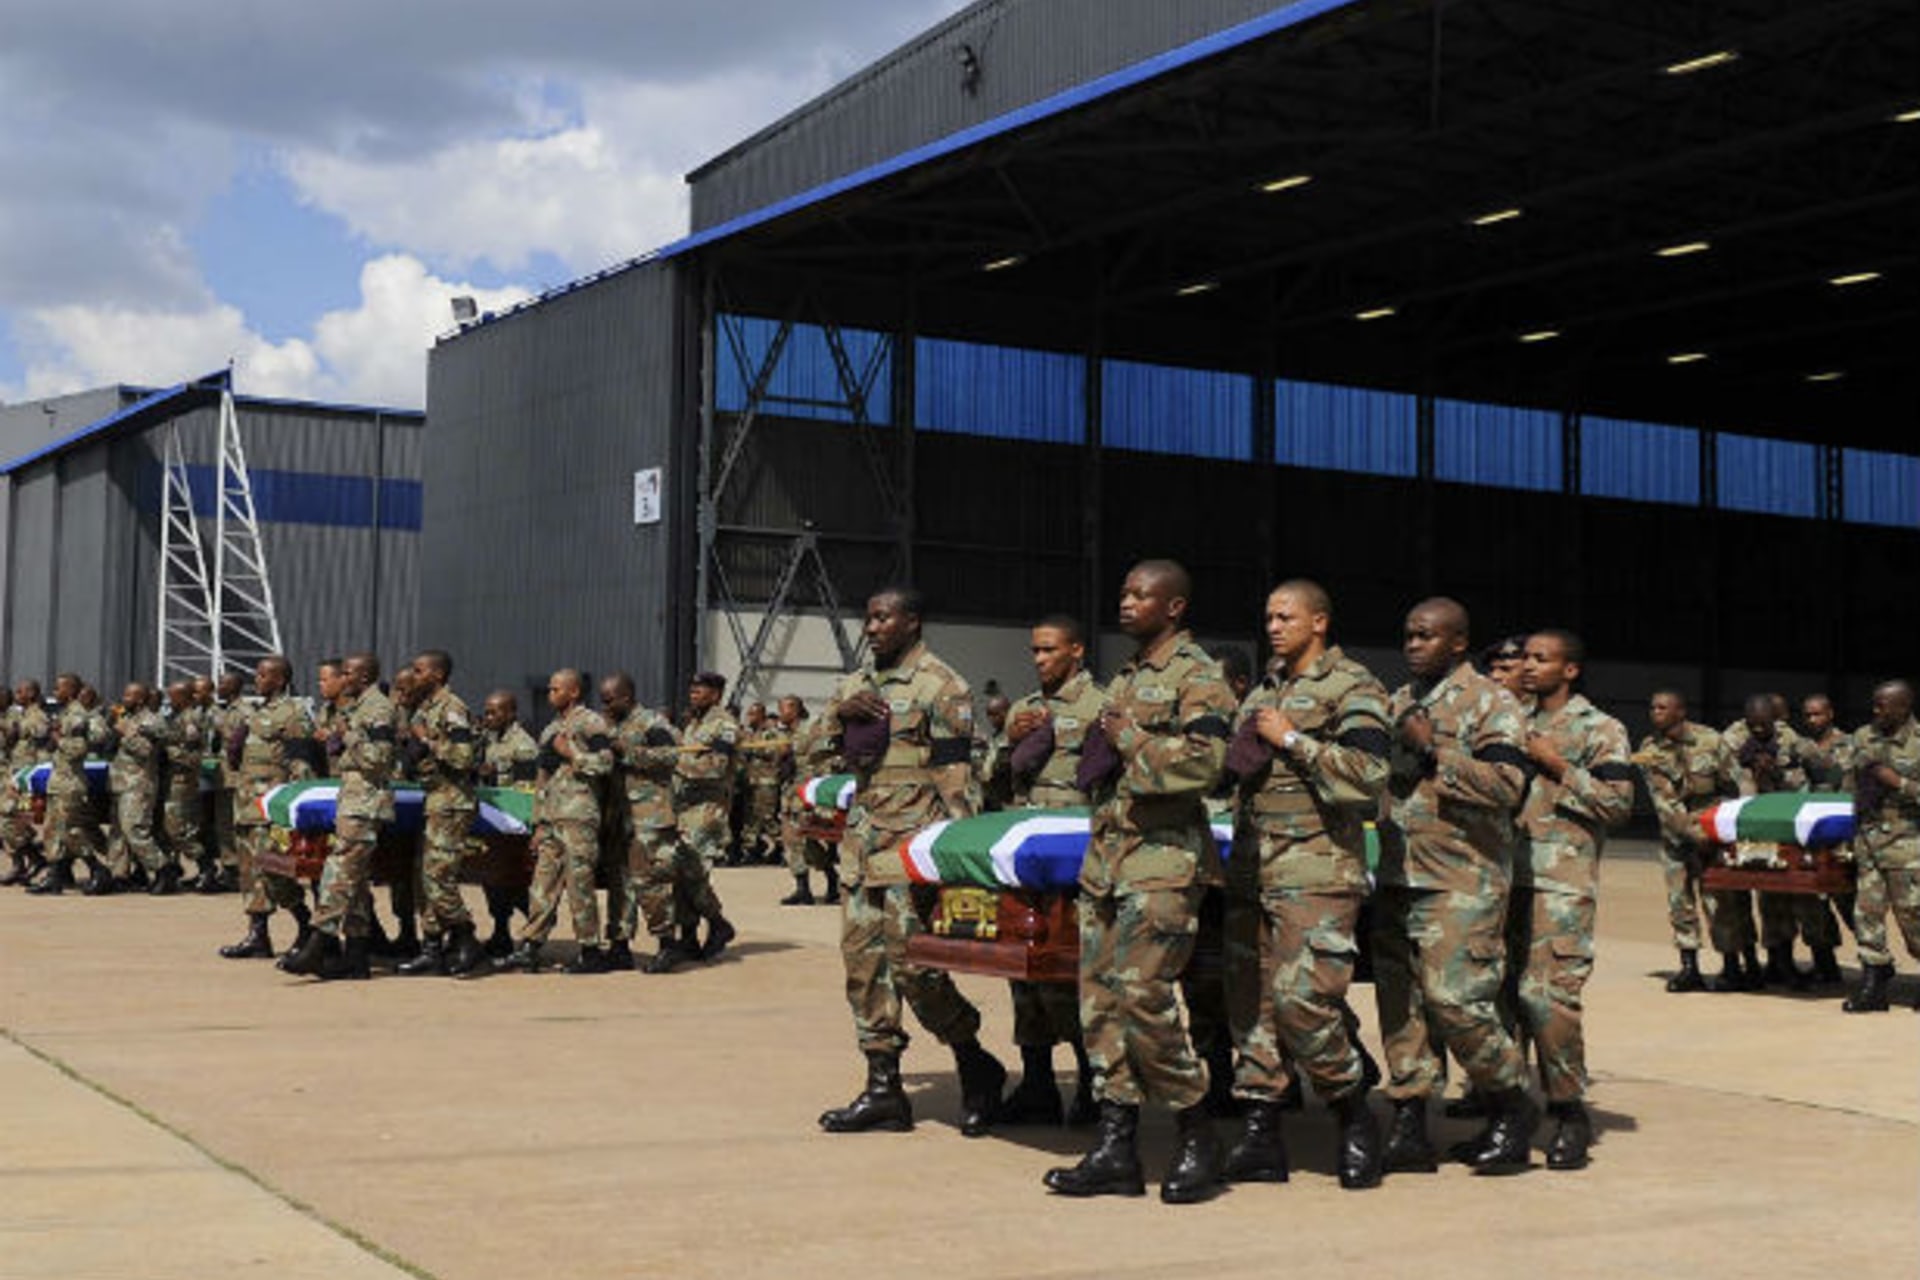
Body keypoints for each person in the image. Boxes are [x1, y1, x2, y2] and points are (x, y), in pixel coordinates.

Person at [1044, 560, 1236, 1204]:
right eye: (1123, 592)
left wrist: (1131, 741)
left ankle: (1195, 1133)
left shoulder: (1199, 678)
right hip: (1108, 861)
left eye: (1139, 594)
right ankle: (1115, 1147)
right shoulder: (1125, 677)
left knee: (1145, 996)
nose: (1125, 603)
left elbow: (1207, 767)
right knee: (1099, 1004)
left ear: (1173, 607)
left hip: (1162, 860)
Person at [818, 586, 1007, 1141]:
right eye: (868, 617)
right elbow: (811, 748)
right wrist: (837, 713)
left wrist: (950, 861)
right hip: (861, 849)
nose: (871, 627)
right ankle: (884, 1090)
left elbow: (959, 782)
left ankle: (975, 1063)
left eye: (882, 617)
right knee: (863, 969)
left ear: (912, 622)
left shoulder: (941, 687)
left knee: (915, 969)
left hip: (911, 852)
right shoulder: (855, 685)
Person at [1219, 580, 1391, 1191]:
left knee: (1304, 1003)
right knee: (1253, 1008)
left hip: (1315, 870)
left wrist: (1292, 739)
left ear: (1319, 622)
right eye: (1266, 615)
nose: (1272, 625)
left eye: (1285, 616)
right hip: (1252, 870)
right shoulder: (1262, 691)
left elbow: (1369, 777)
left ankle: (1354, 1115)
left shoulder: (1355, 687)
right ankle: (1261, 1134)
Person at [1371, 598, 1536, 1176]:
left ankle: (1511, 1108)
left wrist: (1433, 749)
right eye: (1409, 636)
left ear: (1458, 642)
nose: (1413, 645)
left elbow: (1508, 785)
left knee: (1458, 1002)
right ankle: (1411, 1125)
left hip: (1460, 880)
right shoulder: (1398, 702)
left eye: (1426, 636)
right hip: (1398, 875)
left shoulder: (1493, 703)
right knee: (1403, 1010)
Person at [1510, 630, 1635, 1170]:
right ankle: (1510, 1114)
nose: (1529, 667)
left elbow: (1618, 803)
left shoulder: (1602, 729)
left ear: (1570, 670)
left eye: (1542, 659)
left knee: (1549, 1000)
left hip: (1560, 883)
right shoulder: (1508, 721)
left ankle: (1567, 1110)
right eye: (1526, 658)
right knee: (1500, 1003)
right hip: (1501, 880)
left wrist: (1558, 765)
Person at [997, 613, 1108, 1129]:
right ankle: (1037, 1083)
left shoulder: (1101, 705)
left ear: (1077, 651)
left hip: (1074, 852)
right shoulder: (1023, 709)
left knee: (1071, 971)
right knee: (1022, 968)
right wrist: (1007, 743)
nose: (1040, 660)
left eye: (1049, 650)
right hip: (1025, 852)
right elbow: (991, 782)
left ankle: (1091, 1083)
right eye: (1035, 651)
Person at [283, 653, 396, 980]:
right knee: (356, 881)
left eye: (348, 672)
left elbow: (380, 758)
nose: (343, 678)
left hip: (366, 801)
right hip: (352, 797)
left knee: (340, 866)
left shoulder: (378, 709)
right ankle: (357, 955)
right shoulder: (359, 707)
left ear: (363, 677)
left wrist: (344, 736)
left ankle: (319, 940)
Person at [498, 669, 615, 974]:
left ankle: (590, 951)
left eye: (556, 689)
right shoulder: (550, 730)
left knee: (579, 885)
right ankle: (531, 946)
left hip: (579, 814)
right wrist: (538, 822)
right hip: (552, 817)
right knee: (542, 884)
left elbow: (605, 762)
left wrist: (573, 753)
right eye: (549, 689)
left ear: (574, 691)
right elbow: (543, 777)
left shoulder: (591, 723)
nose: (550, 694)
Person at [1634, 691, 1743, 991]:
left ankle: (1731, 966)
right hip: (1677, 837)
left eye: (1662, 707)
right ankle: (1689, 967)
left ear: (1681, 711)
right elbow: (1664, 803)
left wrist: (1724, 829)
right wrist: (1694, 836)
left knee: (1719, 903)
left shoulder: (1711, 740)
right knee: (1680, 902)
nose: (1655, 712)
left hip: (1713, 834)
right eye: (1652, 706)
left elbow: (1735, 783)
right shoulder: (1648, 749)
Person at [218, 655, 317, 961]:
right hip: (247, 804)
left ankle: (306, 924)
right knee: (250, 873)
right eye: (257, 675)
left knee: (274, 868)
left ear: (280, 680)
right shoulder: (257, 713)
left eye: (263, 675)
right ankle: (258, 935)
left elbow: (303, 764)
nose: (257, 680)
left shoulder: (293, 714)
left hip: (271, 806)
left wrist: (297, 808)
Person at [396, 650, 484, 977]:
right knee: (426, 877)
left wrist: (428, 742)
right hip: (435, 799)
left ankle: (467, 938)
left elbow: (463, 758)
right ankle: (432, 947)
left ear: (436, 675)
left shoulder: (452, 708)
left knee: (439, 878)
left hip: (452, 802)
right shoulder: (425, 709)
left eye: (419, 671)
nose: (413, 676)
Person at [1728, 694, 1825, 989]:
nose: (1758, 730)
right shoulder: (1733, 742)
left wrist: (1780, 773)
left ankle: (1797, 961)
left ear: (1776, 721)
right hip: (1757, 828)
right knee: (1768, 896)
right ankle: (1776, 963)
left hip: (1791, 825)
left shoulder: (1793, 742)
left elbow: (1818, 779)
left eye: (1764, 724)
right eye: (1752, 725)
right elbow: (1738, 790)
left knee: (1796, 897)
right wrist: (1753, 776)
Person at [598, 672, 691, 974]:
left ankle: (667, 943)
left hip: (648, 814)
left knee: (648, 880)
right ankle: (620, 944)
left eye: (610, 700)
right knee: (619, 883)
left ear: (627, 696)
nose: (605, 706)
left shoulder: (653, 723)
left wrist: (629, 753)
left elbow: (670, 757)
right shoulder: (609, 725)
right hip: (619, 815)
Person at [1841, 680, 1920, 1013]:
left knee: (1913, 915)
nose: (1876, 711)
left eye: (1883, 706)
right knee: (1867, 914)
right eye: (1874, 704)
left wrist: (1898, 782)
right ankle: (1874, 984)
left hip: (1908, 843)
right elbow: (1850, 785)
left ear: (1903, 707)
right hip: (1869, 839)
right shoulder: (1862, 736)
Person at [670, 673, 738, 961]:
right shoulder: (694, 723)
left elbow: (716, 767)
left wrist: (673, 761)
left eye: (701, 690)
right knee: (680, 874)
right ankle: (688, 936)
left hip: (707, 809)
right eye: (692, 689)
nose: (694, 694)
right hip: (685, 808)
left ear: (716, 694)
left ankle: (719, 924)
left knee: (694, 874)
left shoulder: (724, 725)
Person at [30, 673, 112, 896]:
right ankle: (55, 877)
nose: (55, 692)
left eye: (59, 688)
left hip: (70, 782)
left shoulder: (76, 715)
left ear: (71, 690)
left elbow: (79, 749)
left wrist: (59, 740)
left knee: (70, 832)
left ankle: (99, 870)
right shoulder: (65, 713)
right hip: (59, 780)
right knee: (53, 831)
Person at [475, 690, 538, 954]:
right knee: (493, 880)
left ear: (511, 714)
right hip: (493, 820)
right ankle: (501, 933)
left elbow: (526, 791)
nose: (488, 717)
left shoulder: (523, 746)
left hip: (514, 825)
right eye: (486, 711)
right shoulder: (489, 740)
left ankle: (535, 927)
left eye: (494, 712)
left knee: (513, 881)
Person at [108, 681, 174, 893]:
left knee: (135, 830)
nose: (124, 698)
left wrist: (125, 734)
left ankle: (163, 869)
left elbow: (145, 751)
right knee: (118, 833)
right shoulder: (127, 718)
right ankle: (119, 874)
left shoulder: (152, 721)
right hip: (120, 783)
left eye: (129, 695)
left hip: (138, 784)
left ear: (140, 699)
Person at [778, 695, 840, 906]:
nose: (781, 713)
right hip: (789, 793)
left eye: (785, 708)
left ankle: (832, 879)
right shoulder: (783, 734)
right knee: (792, 841)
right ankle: (802, 888)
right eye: (780, 708)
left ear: (796, 709)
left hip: (806, 792)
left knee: (808, 840)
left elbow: (826, 759)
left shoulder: (812, 729)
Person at [161, 680, 216, 893]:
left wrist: (166, 749)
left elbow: (193, 756)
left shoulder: (192, 719)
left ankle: (206, 867)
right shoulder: (175, 717)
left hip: (183, 780)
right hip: (172, 779)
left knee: (178, 829)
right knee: (173, 828)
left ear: (184, 697)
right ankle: (181, 869)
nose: (169, 701)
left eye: (173, 696)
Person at [0, 681, 51, 887]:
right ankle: (27, 861)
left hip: (22, 777)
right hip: (12, 775)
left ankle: (29, 860)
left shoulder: (31, 716)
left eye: (19, 692)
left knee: (9, 821)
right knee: (8, 822)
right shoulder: (20, 715)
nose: (15, 696)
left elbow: (37, 736)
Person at [977, 693, 1014, 812]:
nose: (991, 719)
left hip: (1008, 797)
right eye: (988, 714)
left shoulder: (1015, 735)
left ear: (1007, 712)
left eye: (995, 714)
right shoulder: (995, 737)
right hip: (992, 796)